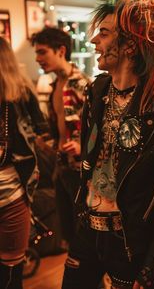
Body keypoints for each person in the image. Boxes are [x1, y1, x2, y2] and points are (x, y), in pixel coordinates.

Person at [62, 0, 154, 289]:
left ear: (131, 45)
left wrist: (150, 272)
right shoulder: (95, 92)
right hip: (87, 230)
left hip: (130, 243)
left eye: (104, 33)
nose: (94, 40)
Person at [31, 27, 90, 245]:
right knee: (70, 236)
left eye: (42, 52)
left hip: (80, 170)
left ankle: (92, 279)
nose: (38, 59)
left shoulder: (81, 84)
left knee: (84, 235)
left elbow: (103, 127)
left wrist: (82, 146)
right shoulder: (55, 84)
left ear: (61, 50)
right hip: (62, 167)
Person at [0, 37, 48, 288]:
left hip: (12, 196)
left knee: (10, 271)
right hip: (13, 194)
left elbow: (43, 132)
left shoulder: (21, 94)